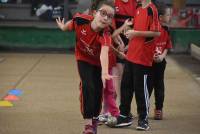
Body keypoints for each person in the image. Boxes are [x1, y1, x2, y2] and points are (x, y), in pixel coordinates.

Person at [56, 1, 115, 133]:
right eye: (103, 13)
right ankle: (88, 125)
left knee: (98, 91)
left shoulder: (105, 34)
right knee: (88, 86)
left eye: (110, 16)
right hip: (83, 58)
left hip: (99, 63)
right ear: (94, 13)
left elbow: (104, 54)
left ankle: (94, 119)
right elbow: (69, 26)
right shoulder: (80, 20)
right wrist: (62, 27)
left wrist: (104, 72)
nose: (106, 18)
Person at [107, 0, 161, 130]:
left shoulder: (152, 10)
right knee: (126, 87)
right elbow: (136, 30)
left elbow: (156, 33)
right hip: (131, 55)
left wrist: (135, 33)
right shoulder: (138, 8)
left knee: (141, 90)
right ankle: (124, 115)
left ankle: (143, 119)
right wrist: (128, 41)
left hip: (143, 57)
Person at [148, 2, 172, 120]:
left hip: (160, 63)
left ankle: (159, 109)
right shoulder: (151, 30)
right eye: (168, 15)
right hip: (148, 62)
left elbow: (167, 45)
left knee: (159, 86)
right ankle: (144, 108)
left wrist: (162, 56)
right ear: (161, 17)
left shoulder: (166, 30)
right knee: (147, 86)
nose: (170, 17)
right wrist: (151, 56)